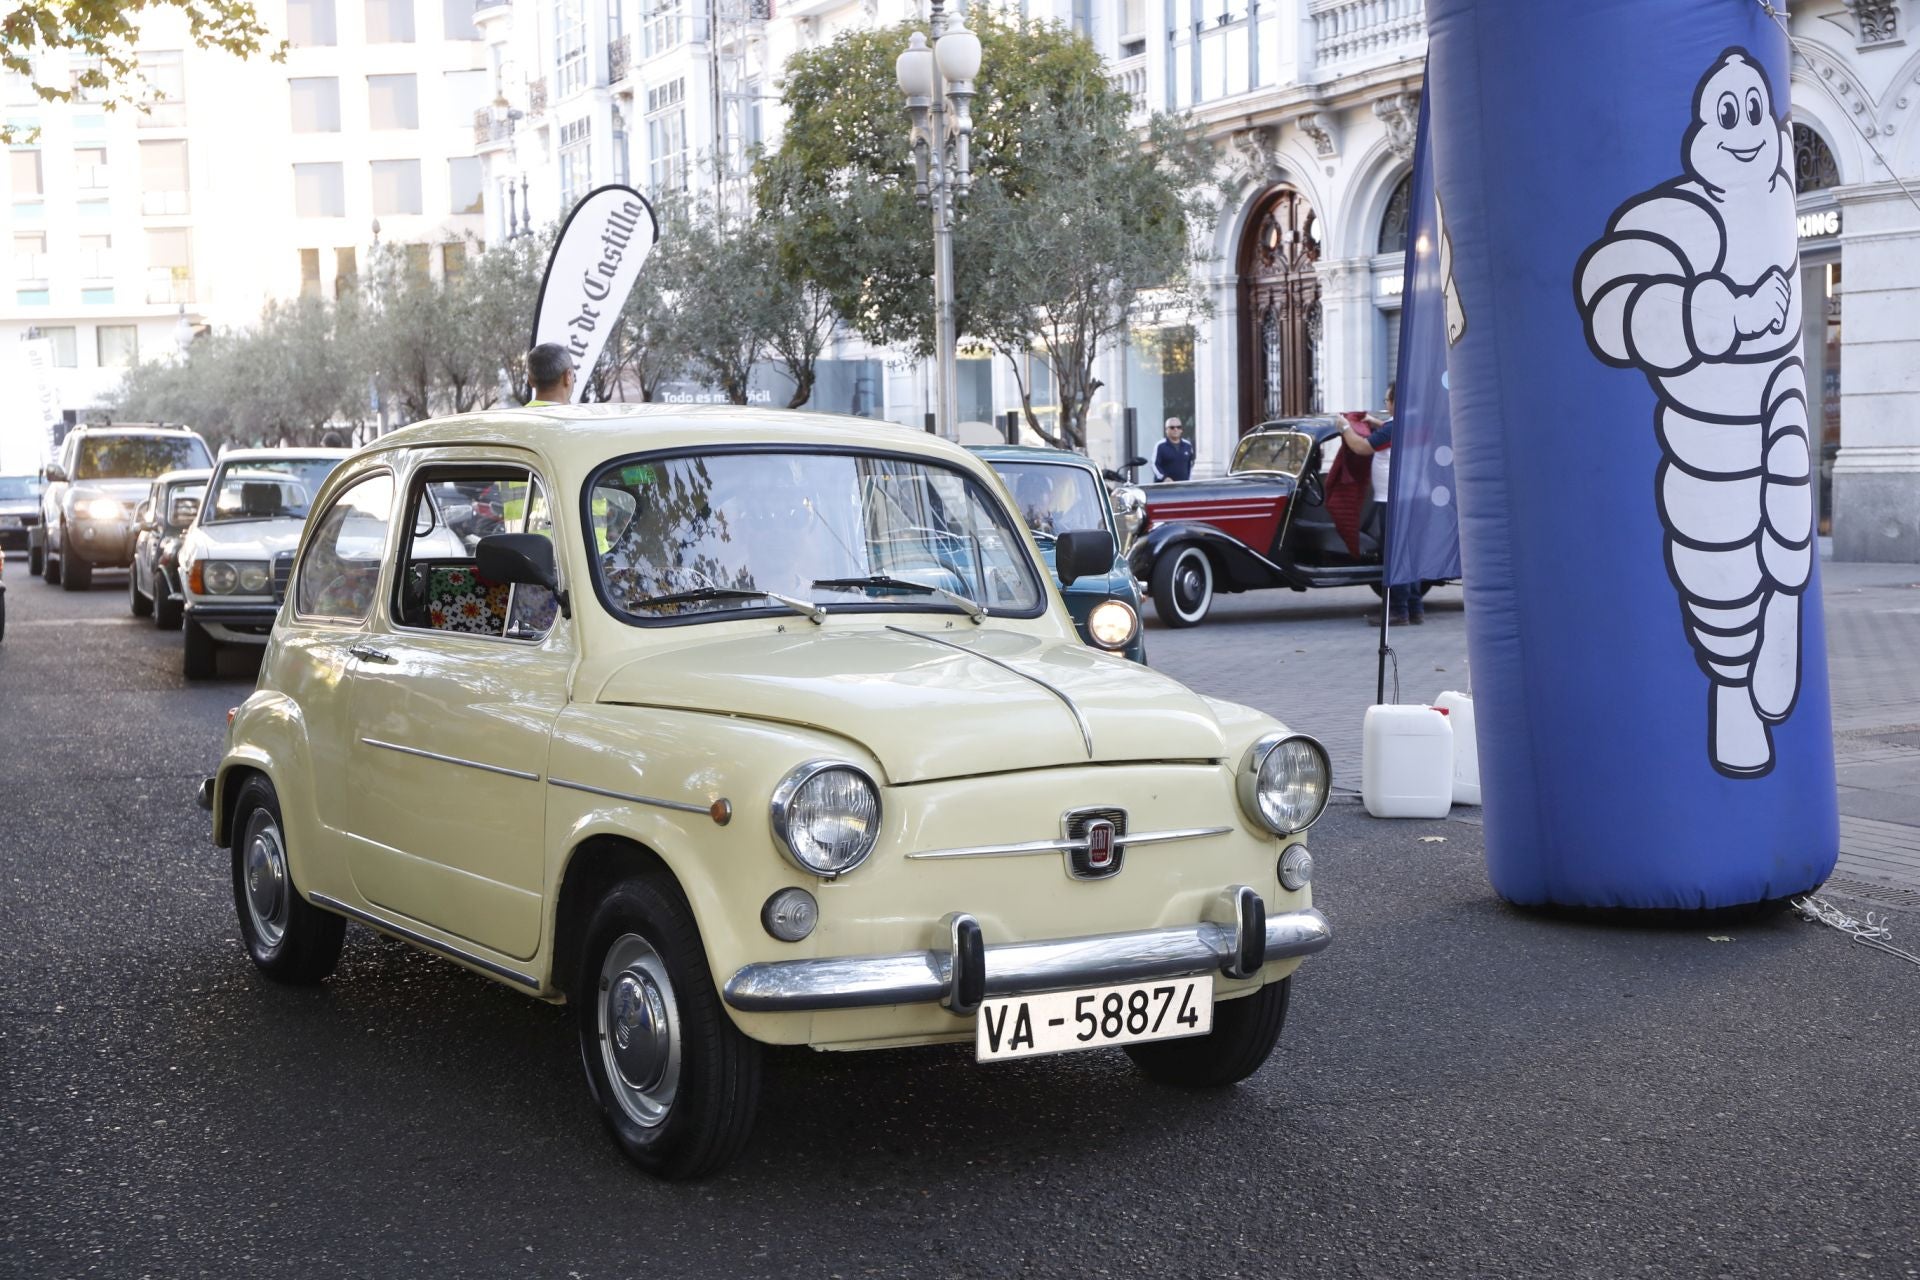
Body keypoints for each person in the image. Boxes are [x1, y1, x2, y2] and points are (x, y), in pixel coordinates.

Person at [1336, 382, 1422, 626]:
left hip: (1392, 501)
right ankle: (1415, 608)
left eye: (1387, 400)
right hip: (1412, 498)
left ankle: (1398, 611)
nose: (1385, 403)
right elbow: (1387, 435)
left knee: (1394, 556)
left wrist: (1344, 428)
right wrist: (1375, 423)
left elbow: (1361, 447)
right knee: (1410, 555)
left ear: (1396, 402)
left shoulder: (1394, 429)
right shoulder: (1412, 423)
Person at [1151, 416, 1195, 482]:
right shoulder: (1160, 445)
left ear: (1181, 430)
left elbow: (1191, 464)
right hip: (1164, 486)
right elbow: (1154, 464)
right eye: (1172, 427)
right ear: (1166, 430)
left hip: (1183, 486)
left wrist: (1189, 479)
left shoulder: (1187, 445)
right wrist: (1164, 478)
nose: (1175, 429)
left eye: (1178, 427)